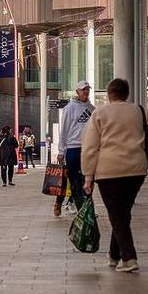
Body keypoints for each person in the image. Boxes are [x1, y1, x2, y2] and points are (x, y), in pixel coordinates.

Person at [82, 77, 148, 273]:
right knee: (122, 213)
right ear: (127, 93)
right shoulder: (139, 111)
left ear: (109, 94)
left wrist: (88, 177)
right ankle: (114, 255)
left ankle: (129, 257)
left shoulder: (100, 113)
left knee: (117, 214)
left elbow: (90, 148)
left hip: (108, 172)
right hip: (136, 170)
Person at [54, 80, 94, 217]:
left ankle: (85, 208)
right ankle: (60, 202)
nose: (86, 92)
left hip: (89, 149)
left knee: (88, 179)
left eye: (87, 89)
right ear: (77, 91)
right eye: (83, 89)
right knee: (72, 180)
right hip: (73, 148)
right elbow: (63, 130)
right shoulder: (70, 108)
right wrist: (61, 151)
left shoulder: (92, 109)